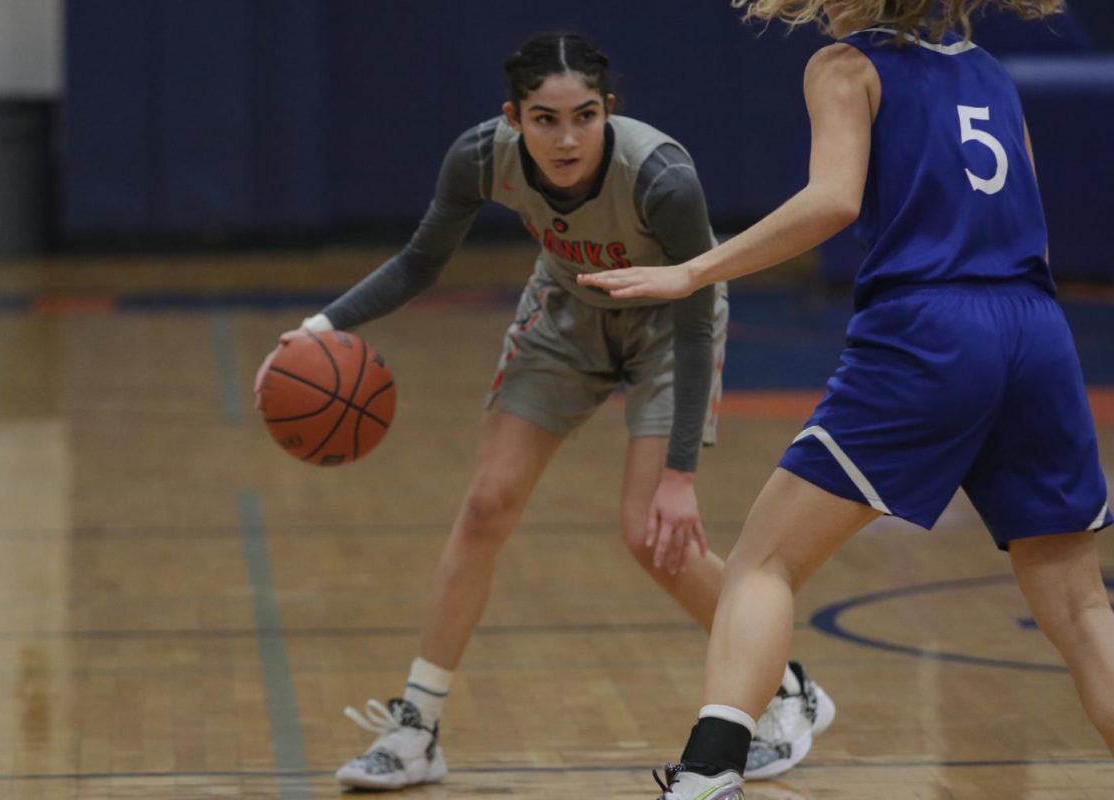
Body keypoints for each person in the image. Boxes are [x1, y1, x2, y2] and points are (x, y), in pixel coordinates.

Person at [255, 31, 835, 790]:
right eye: (545, 119)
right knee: (486, 506)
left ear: (609, 111)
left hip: (669, 327)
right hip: (564, 318)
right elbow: (421, 261)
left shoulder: (663, 177)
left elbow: (697, 313)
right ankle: (416, 729)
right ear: (513, 118)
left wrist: (680, 474)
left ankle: (786, 690)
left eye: (584, 116)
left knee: (650, 534)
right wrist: (321, 330)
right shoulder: (478, 157)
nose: (566, 138)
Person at [580, 2, 1114, 798]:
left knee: (763, 563)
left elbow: (833, 200)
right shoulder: (990, 72)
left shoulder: (845, 68)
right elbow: (1030, 229)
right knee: (1078, 607)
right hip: (1035, 329)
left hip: (931, 328)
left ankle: (707, 772)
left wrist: (694, 270)